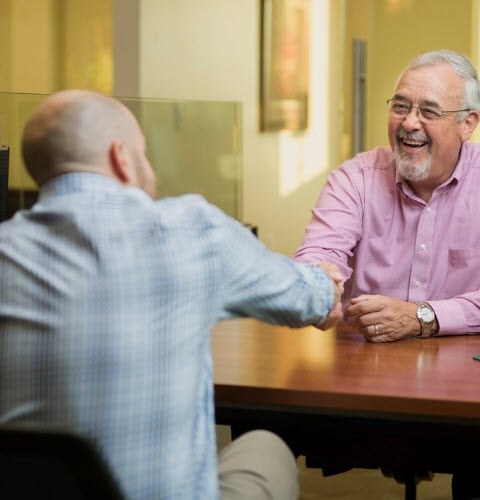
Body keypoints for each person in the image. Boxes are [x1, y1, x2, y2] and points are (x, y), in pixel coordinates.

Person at [0, 90, 344, 500]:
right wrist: (325, 281)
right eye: (145, 153)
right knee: (265, 447)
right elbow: (317, 303)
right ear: (121, 157)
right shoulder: (190, 232)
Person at [293, 49, 480, 499]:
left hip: (472, 388)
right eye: (401, 106)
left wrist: (422, 316)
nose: (409, 123)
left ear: (468, 123)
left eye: (428, 111)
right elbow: (319, 254)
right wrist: (315, 289)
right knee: (269, 434)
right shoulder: (355, 178)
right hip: (362, 384)